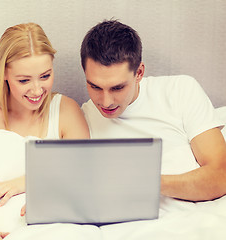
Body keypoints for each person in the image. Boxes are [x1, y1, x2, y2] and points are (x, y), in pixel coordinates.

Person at [0, 23, 90, 240]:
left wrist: (26, 182)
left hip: (52, 229)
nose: (37, 90)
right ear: (4, 74)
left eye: (45, 76)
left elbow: (84, 177)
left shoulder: (66, 111)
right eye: (24, 80)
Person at [81, 20, 226, 202]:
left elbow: (221, 176)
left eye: (117, 88)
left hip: (185, 218)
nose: (106, 102)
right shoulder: (80, 120)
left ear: (139, 73)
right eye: (94, 86)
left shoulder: (180, 90)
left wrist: (148, 182)